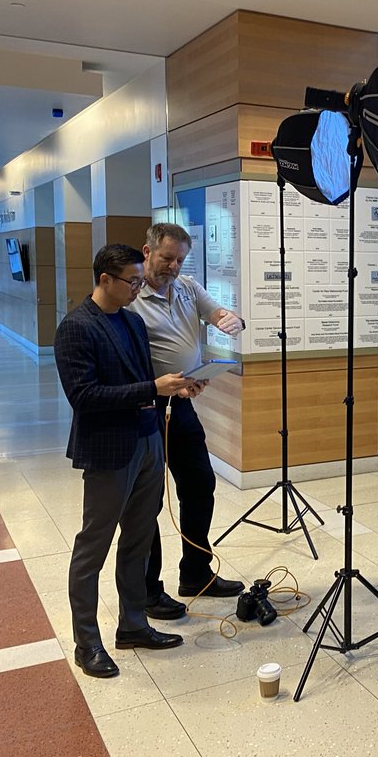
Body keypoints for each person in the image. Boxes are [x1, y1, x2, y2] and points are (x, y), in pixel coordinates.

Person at [54, 244, 192, 678]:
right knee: (93, 546)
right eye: (131, 281)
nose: (138, 288)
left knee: (139, 537)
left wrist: (177, 389)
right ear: (104, 279)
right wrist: (153, 387)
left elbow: (142, 382)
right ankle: (87, 643)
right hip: (109, 450)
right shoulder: (76, 328)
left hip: (148, 441)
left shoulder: (132, 321)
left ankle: (133, 625)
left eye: (138, 280)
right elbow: (85, 397)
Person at [127, 223, 246, 618]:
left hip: (182, 407)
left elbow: (219, 314)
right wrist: (158, 387)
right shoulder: (130, 296)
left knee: (199, 485)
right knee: (147, 501)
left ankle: (196, 574)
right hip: (144, 410)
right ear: (147, 251)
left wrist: (231, 320)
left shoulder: (187, 288)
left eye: (179, 259)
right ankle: (148, 591)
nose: (174, 266)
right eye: (167, 258)